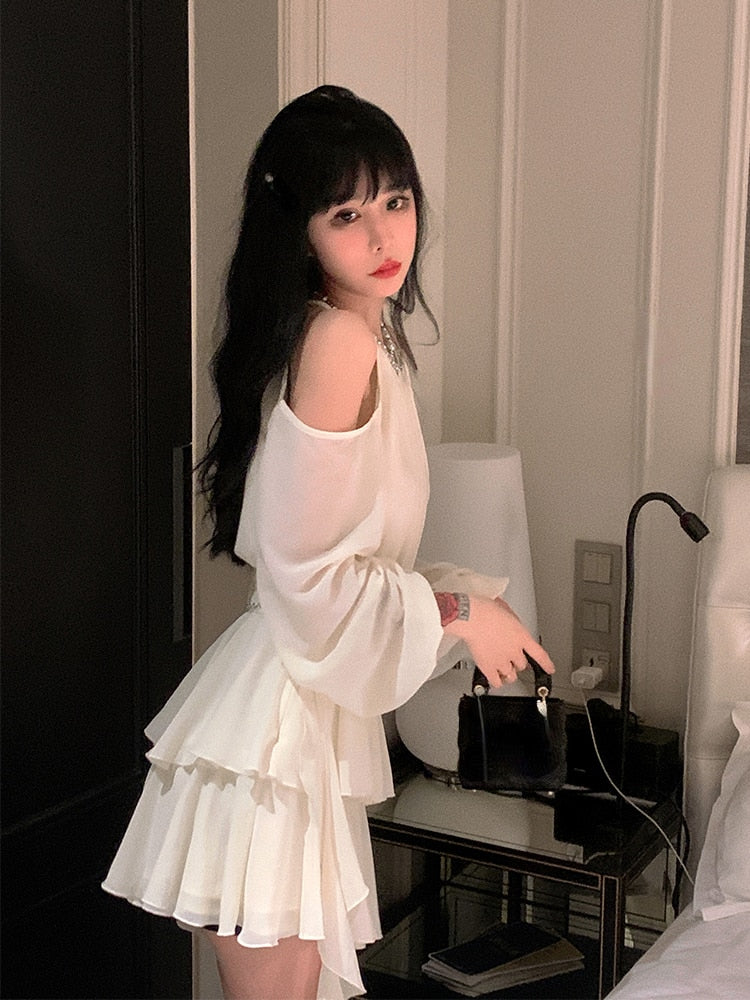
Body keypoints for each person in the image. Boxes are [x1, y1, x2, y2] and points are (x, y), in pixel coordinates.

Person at [102, 85, 554, 1000]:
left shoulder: (347, 335)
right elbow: (310, 579)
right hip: (279, 730)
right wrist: (457, 611)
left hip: (285, 717)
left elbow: (338, 562)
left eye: (396, 200)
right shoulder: (339, 341)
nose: (385, 236)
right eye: (347, 214)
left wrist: (465, 603)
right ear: (300, 232)